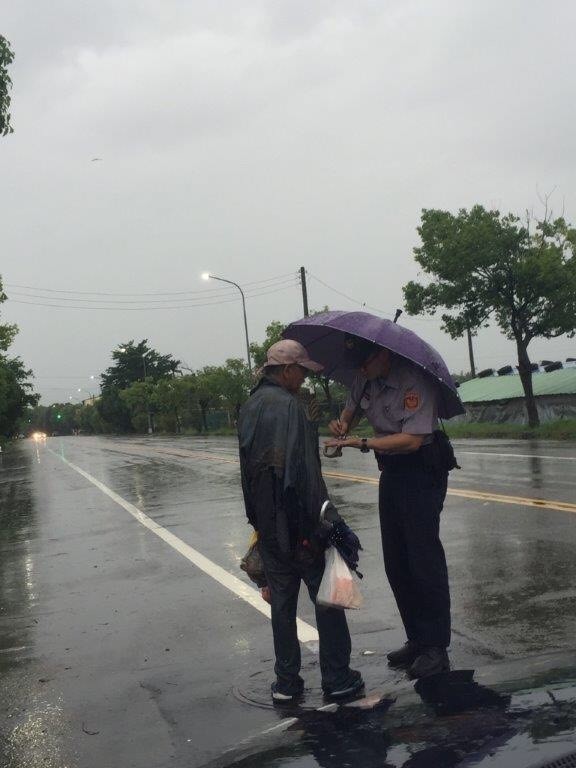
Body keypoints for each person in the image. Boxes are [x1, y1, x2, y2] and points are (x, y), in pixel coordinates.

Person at [238, 339, 364, 702]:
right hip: (301, 524)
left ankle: (287, 683)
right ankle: (338, 677)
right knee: (327, 598)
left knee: (281, 603)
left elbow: (247, 473)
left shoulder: (249, 407)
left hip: (268, 523)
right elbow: (304, 476)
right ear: (288, 370)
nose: (306, 379)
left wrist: (258, 524)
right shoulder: (294, 408)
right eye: (303, 372)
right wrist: (329, 524)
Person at [325, 339, 452, 678]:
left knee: (423, 559)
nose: (360, 370)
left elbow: (411, 439)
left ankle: (435, 646)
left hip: (422, 469)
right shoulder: (363, 378)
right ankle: (417, 639)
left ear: (382, 355)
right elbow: (348, 415)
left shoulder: (415, 382)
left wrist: (360, 442)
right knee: (397, 562)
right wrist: (341, 428)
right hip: (392, 471)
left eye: (365, 363)